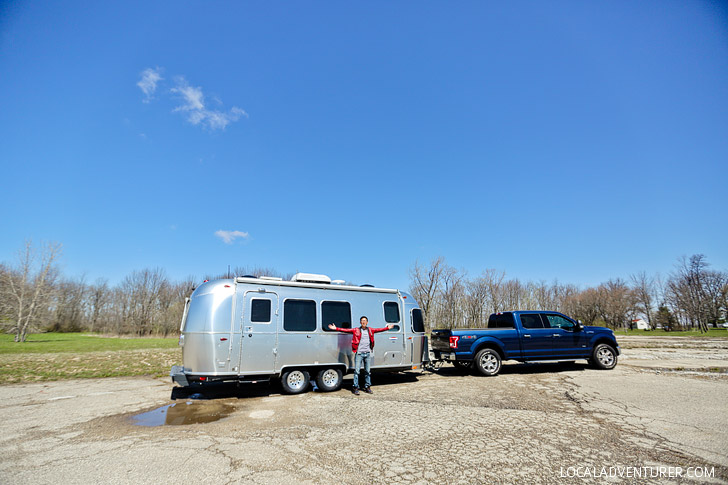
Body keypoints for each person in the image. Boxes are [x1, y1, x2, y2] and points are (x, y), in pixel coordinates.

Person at [328, 316, 394, 395]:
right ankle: (355, 387)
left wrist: (387, 328)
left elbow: (379, 330)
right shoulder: (356, 330)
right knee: (357, 371)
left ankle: (367, 387)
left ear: (367, 322)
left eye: (365, 321)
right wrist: (336, 328)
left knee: (367, 372)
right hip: (359, 353)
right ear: (360, 322)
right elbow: (346, 330)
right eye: (362, 321)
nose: (363, 322)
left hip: (367, 353)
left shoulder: (370, 330)